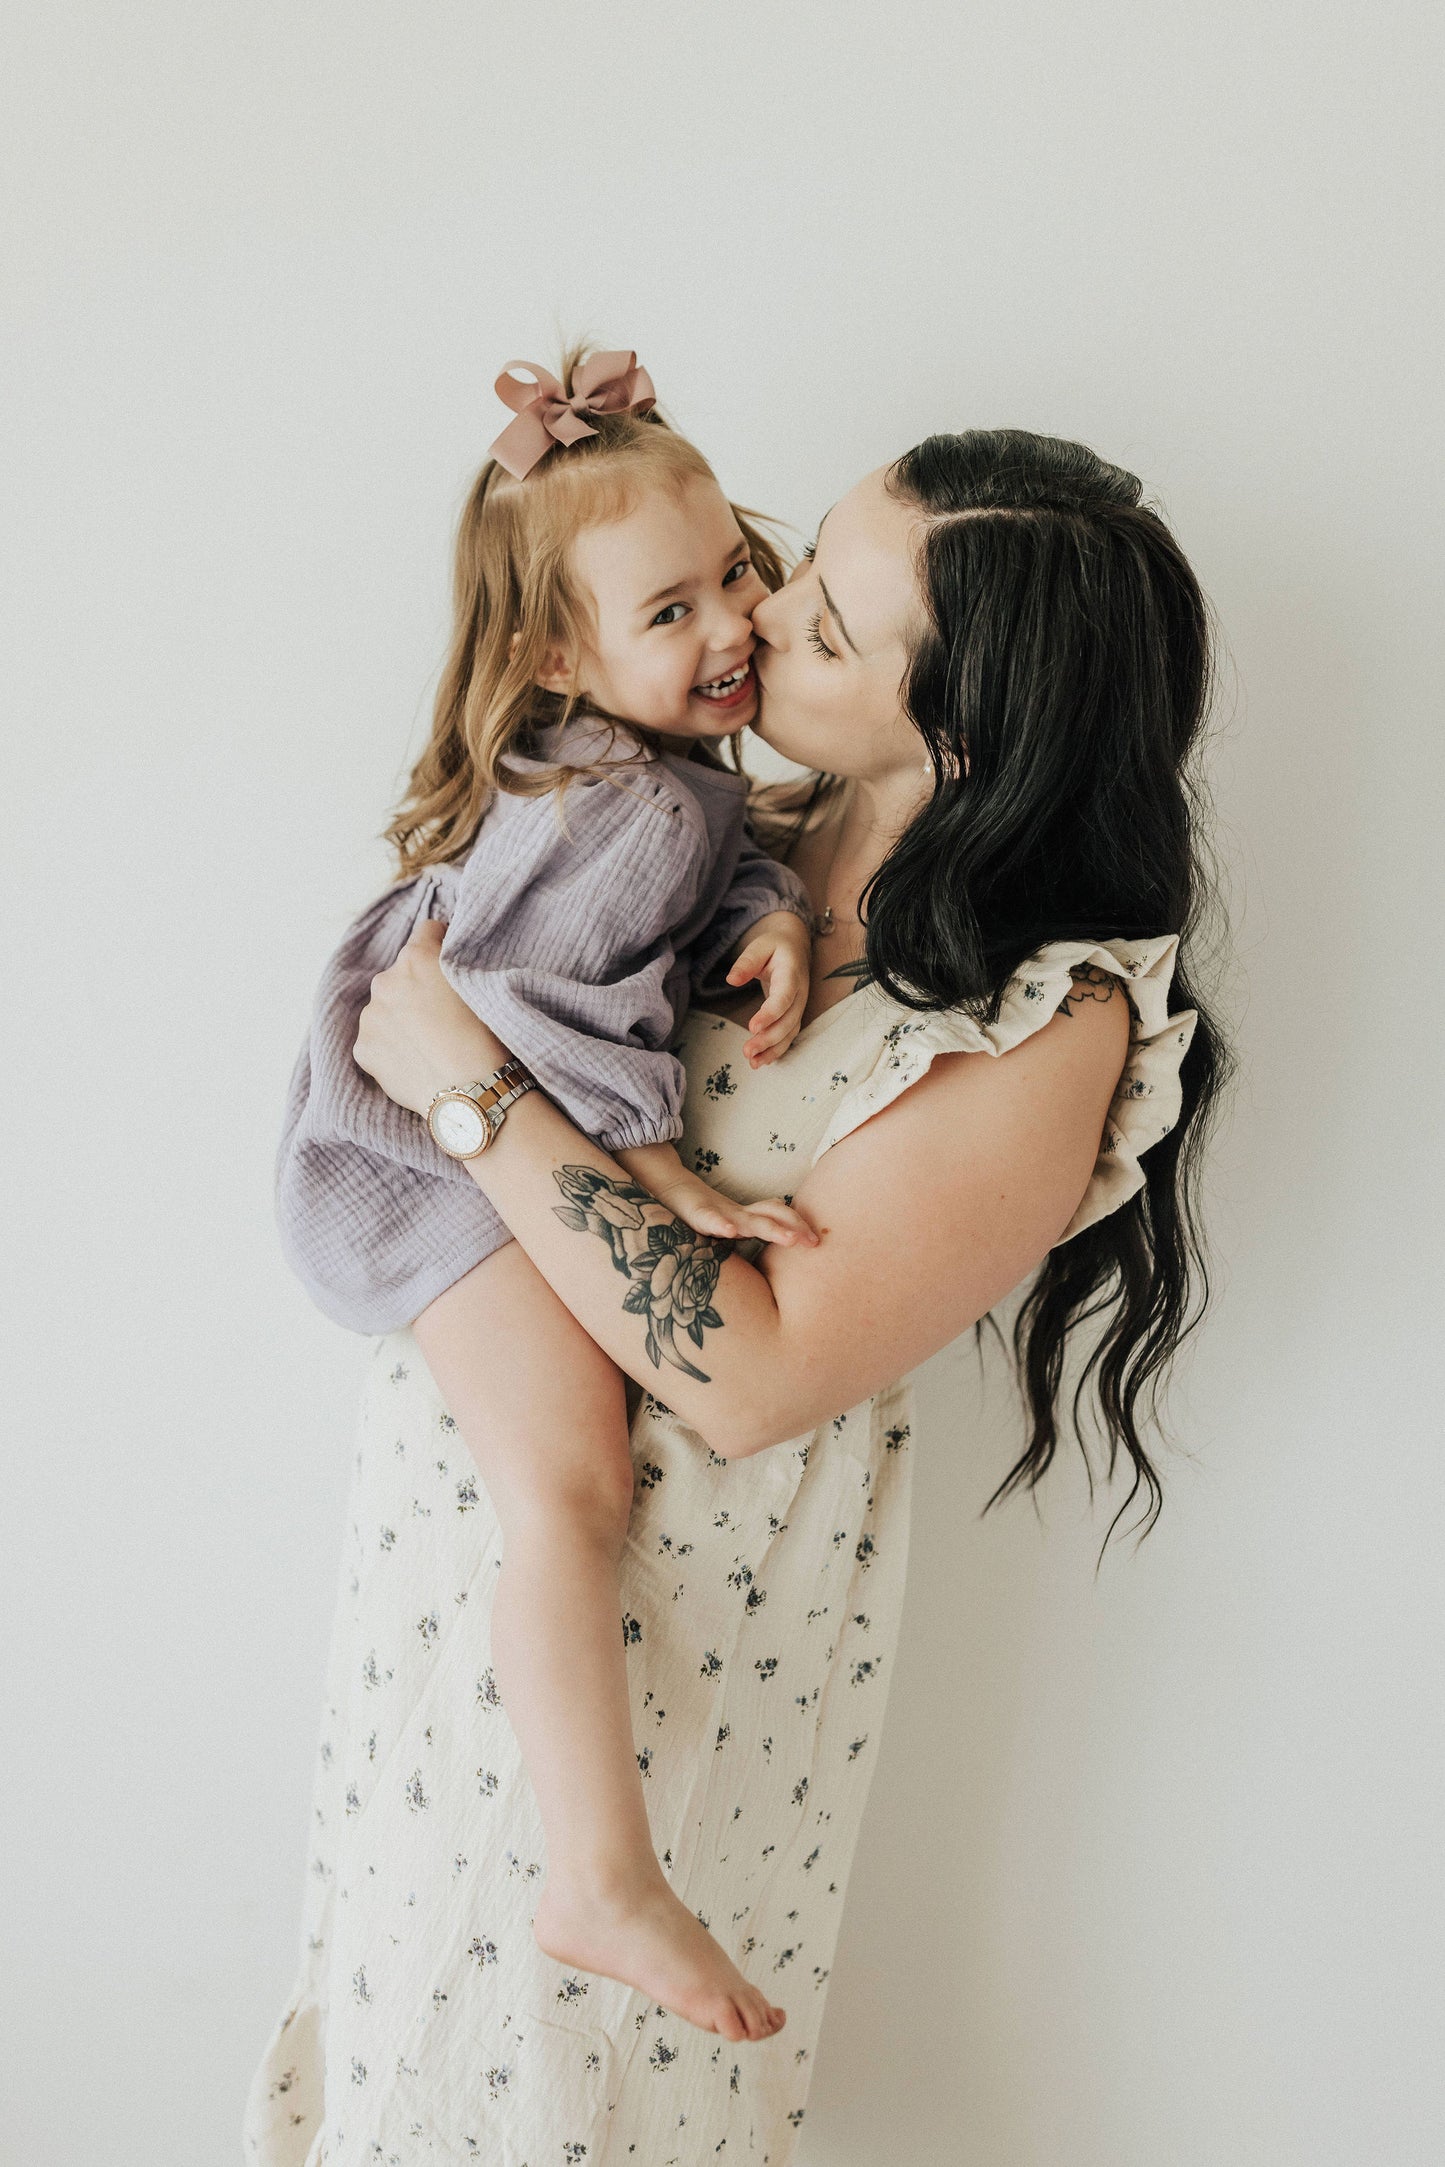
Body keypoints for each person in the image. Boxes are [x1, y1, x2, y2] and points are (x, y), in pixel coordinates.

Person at [245, 426, 1225, 2167]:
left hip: (675, 1646)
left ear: (968, 734)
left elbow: (749, 1372)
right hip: (459, 1575)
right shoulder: (708, 827)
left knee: (573, 2109)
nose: (758, 622)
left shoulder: (1047, 1017)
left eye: (829, 627)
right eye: (791, 566)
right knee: (406, 2063)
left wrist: (475, 1093)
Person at [276, 347, 834, 2042]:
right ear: (557, 655)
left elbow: (702, 849)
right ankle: (597, 1873)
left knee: (574, 1486)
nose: (732, 623)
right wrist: (659, 1172)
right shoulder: (622, 808)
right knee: (571, 1495)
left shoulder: (639, 773)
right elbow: (516, 1018)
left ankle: (600, 1866)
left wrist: (771, 908)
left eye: (735, 568)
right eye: (669, 611)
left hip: (422, 1119)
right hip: (420, 1154)